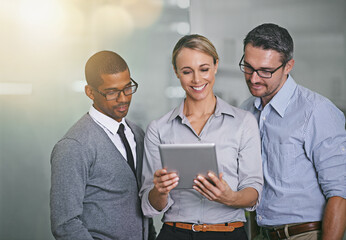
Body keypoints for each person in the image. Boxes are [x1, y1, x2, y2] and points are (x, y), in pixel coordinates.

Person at [139, 34, 263, 240]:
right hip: (175, 233)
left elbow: (254, 192)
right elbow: (150, 207)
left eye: (204, 69)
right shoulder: (159, 129)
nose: (197, 79)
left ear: (216, 66)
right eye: (187, 71)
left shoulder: (243, 122)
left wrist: (230, 197)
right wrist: (160, 191)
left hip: (228, 233)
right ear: (176, 72)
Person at [240, 23, 346, 240]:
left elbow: (340, 193)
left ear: (288, 66)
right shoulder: (246, 110)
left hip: (305, 234)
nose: (253, 78)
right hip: (261, 234)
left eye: (266, 71)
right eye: (248, 67)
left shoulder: (316, 111)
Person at [50, 50, 155, 240]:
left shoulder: (137, 134)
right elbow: (65, 224)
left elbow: (142, 205)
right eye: (112, 92)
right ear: (90, 92)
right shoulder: (74, 146)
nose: (123, 98)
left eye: (127, 87)